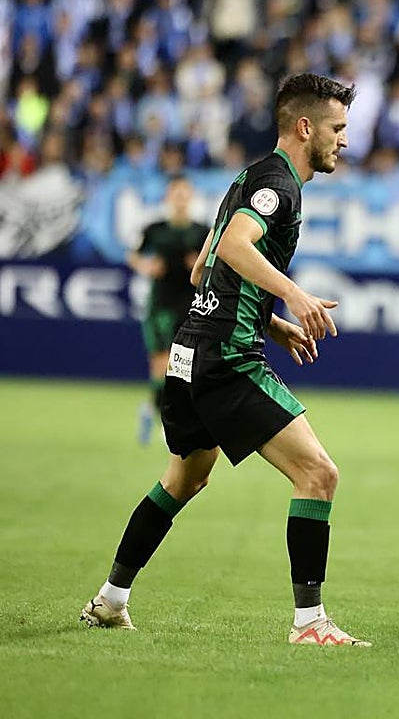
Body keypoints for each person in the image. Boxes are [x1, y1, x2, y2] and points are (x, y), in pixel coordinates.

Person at [81, 73, 371, 647]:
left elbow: (202, 271)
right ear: (304, 126)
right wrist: (293, 293)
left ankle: (111, 600)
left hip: (192, 350)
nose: (344, 140)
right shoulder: (278, 186)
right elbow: (236, 249)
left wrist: (272, 321)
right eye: (337, 129)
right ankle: (309, 623)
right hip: (225, 358)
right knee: (318, 475)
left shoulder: (247, 179)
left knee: (185, 479)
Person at [127, 175, 209, 445]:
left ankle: (153, 411)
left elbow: (214, 260)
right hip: (160, 304)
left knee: (183, 366)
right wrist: (146, 266)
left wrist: (198, 264)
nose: (181, 200)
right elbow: (134, 254)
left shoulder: (201, 231)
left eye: (185, 194)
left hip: (191, 305)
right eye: (176, 194)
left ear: (191, 198)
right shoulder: (155, 229)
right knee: (162, 363)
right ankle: (165, 418)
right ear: (168, 198)